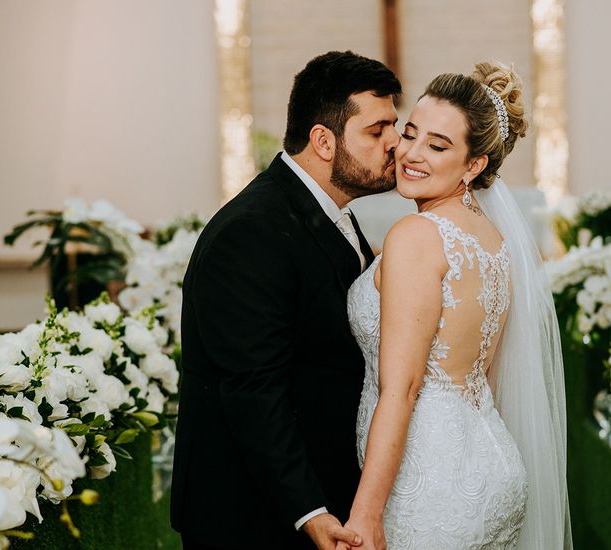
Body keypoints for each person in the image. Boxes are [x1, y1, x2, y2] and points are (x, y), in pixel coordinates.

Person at [171, 51, 401, 550]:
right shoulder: (252, 231)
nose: (395, 144)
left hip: (313, 481)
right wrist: (310, 511)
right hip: (250, 512)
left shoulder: (330, 210)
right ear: (323, 140)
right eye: (377, 130)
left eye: (395, 127)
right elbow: (252, 386)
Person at [342, 62, 572, 549]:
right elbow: (482, 373)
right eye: (410, 134)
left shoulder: (416, 236)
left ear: (474, 165)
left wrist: (364, 515)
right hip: (492, 463)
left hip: (428, 482)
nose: (412, 154)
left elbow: (401, 388)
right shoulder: (493, 239)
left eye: (438, 145)